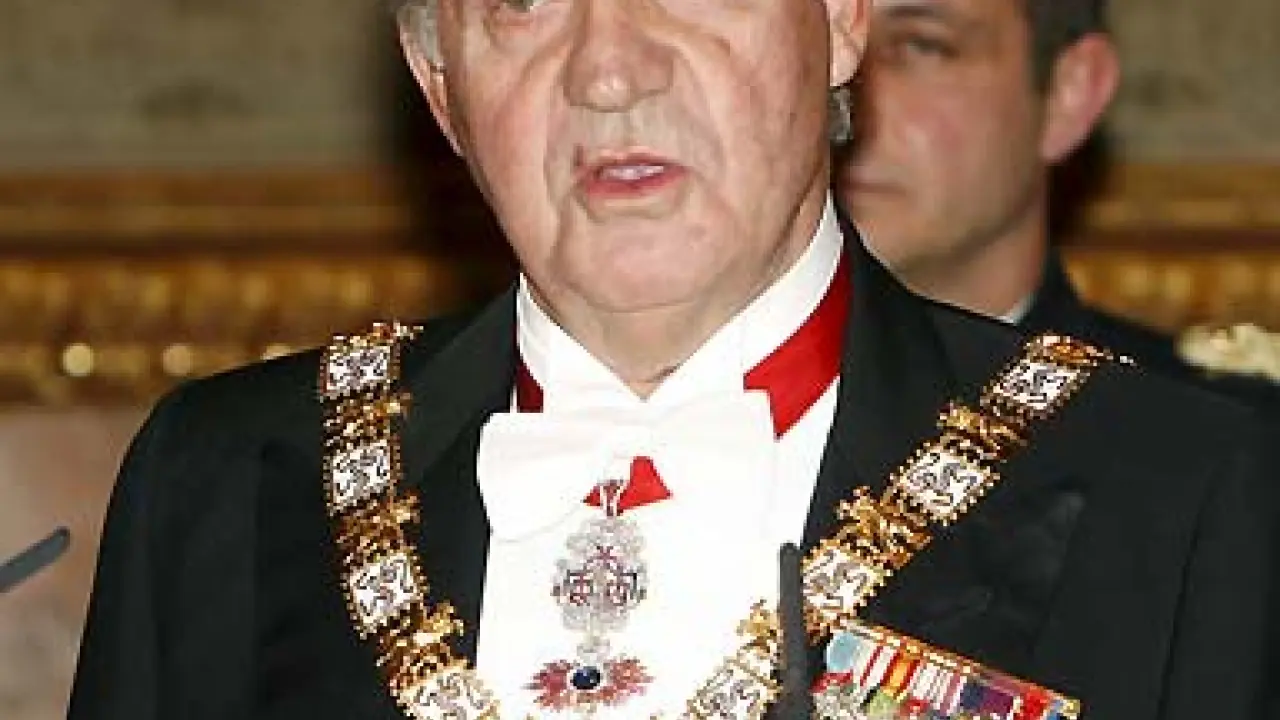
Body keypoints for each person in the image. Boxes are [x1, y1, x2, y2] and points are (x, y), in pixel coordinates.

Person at [69, 0, 1275, 719]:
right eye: (524, 2)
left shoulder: (1176, 497)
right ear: (438, 83)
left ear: (839, 20)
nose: (609, 71)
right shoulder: (232, 479)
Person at [836, 0, 1280, 413]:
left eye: (922, 46)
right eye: (829, 41)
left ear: (1070, 92)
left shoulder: (1210, 431)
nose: (845, 97)